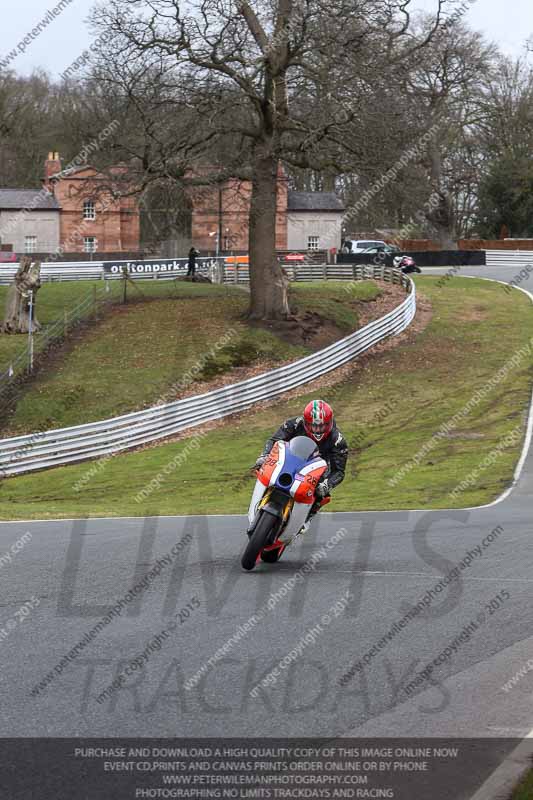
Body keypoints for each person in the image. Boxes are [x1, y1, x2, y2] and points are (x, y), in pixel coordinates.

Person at [253, 400, 349, 534]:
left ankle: (307, 517)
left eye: (322, 426)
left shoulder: (338, 440)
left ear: (330, 423)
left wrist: (327, 484)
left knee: (321, 491)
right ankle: (261, 498)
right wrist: (264, 456)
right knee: (266, 468)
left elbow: (339, 471)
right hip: (293, 458)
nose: (318, 430)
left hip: (318, 467)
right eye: (314, 426)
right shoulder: (294, 423)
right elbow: (274, 440)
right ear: (306, 422)